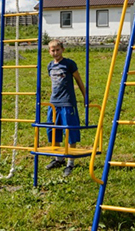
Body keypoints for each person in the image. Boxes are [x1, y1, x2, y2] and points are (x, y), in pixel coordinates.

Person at [44, 39, 87, 176]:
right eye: (52, 50)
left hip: (67, 103)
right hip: (54, 103)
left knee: (70, 132)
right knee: (53, 130)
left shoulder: (69, 64)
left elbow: (79, 80)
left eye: (57, 50)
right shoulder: (50, 66)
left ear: (62, 49)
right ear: (49, 51)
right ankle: (58, 159)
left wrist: (85, 97)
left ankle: (70, 162)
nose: (55, 52)